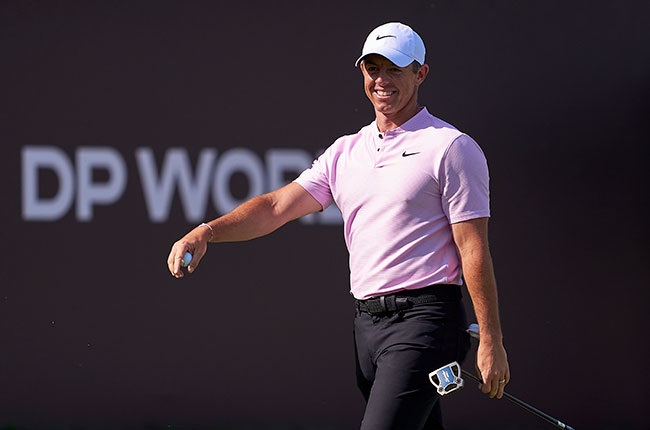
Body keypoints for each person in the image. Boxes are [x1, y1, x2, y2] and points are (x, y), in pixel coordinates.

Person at [167, 22, 510, 430]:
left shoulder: (451, 147)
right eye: (372, 68)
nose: (381, 80)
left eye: (395, 69)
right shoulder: (346, 151)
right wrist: (207, 230)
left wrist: (491, 340)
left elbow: (473, 248)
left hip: (426, 324)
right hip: (367, 328)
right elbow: (277, 206)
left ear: (421, 73)